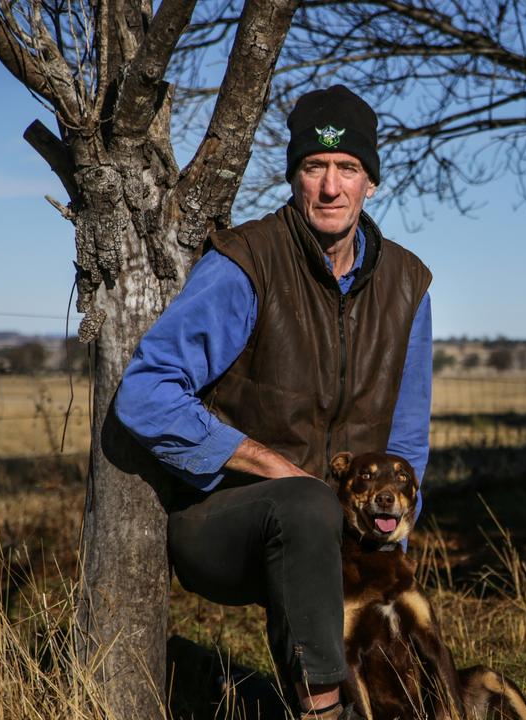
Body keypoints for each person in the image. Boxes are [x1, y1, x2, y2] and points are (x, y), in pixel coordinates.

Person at [114, 85, 432, 719]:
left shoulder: (407, 284)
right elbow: (145, 392)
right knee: (307, 503)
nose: (331, 187)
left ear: (372, 182)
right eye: (315, 168)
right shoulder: (246, 264)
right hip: (225, 520)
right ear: (293, 177)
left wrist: (387, 541)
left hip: (341, 533)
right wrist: (263, 462)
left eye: (348, 169)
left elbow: (407, 443)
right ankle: (323, 712)